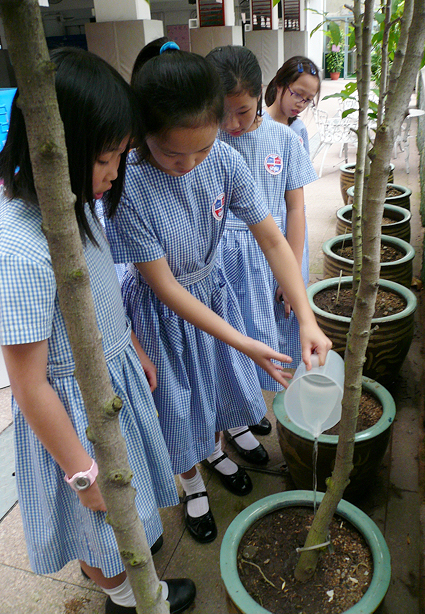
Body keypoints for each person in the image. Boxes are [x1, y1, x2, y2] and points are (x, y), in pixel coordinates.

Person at [0, 47, 195, 614]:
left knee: (125, 513)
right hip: (75, 414)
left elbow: (95, 292)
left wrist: (128, 342)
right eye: (105, 159)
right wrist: (82, 473)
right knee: (101, 527)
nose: (114, 174)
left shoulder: (72, 203)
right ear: (58, 147)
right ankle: (129, 596)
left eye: (120, 158)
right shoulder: (20, 248)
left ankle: (130, 574)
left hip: (114, 379)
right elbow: (29, 386)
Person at [104, 40, 332, 546]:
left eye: (202, 148)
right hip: (164, 316)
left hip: (213, 295)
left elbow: (272, 236)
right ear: (143, 135)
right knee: (178, 403)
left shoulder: (224, 161)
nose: (189, 164)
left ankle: (214, 450)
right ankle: (191, 484)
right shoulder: (131, 185)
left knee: (211, 388)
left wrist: (307, 317)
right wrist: (247, 343)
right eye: (171, 151)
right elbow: (162, 285)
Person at [206, 46, 319, 396]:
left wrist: (294, 270)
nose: (232, 124)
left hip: (273, 253)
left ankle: (255, 406)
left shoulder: (284, 139)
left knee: (272, 332)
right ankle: (237, 419)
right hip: (221, 255)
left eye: (242, 111)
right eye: (222, 113)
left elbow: (296, 209)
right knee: (228, 340)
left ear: (259, 94)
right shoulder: (207, 140)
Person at [264, 55, 321, 157]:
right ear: (279, 85)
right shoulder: (257, 124)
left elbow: (305, 169)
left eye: (308, 100)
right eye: (298, 94)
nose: (301, 104)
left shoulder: (299, 128)